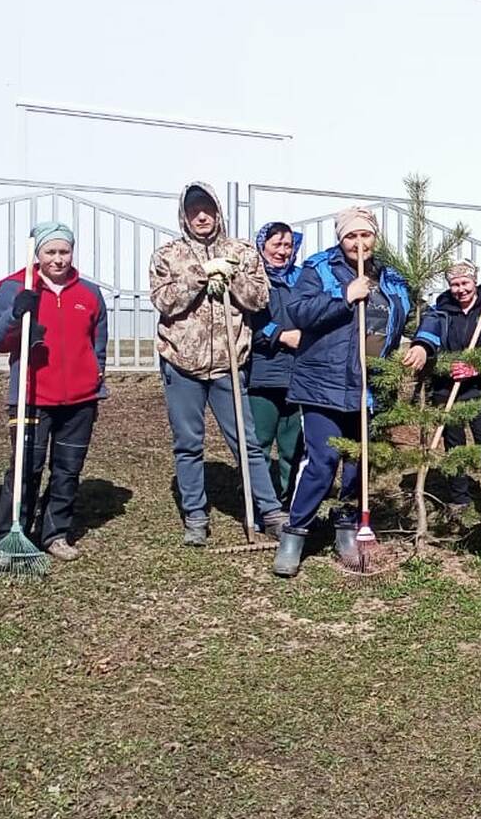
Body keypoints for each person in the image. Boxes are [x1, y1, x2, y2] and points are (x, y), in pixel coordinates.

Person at [275, 206, 412, 576]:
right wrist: (344, 295)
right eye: (351, 236)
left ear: (375, 237)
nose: (359, 243)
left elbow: (408, 315)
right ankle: (294, 533)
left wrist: (421, 345)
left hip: (368, 386)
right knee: (322, 462)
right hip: (323, 384)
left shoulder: (392, 278)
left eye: (365, 235)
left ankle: (346, 527)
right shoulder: (318, 269)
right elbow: (299, 313)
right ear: (340, 239)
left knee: (357, 466)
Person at [150, 182, 286, 547]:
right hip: (182, 363)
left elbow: (259, 299)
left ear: (218, 211)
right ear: (184, 215)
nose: (202, 215)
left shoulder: (240, 251)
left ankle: (269, 511)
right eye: (194, 209)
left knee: (247, 442)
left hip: (229, 363)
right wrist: (199, 276)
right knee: (188, 444)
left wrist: (232, 276)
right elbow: (164, 302)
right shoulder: (168, 255)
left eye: (207, 207)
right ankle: (195, 516)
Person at [0, 220, 108, 561]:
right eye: (50, 252)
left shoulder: (89, 293)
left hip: (80, 400)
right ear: (37, 255)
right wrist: (15, 314)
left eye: (64, 251)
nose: (58, 259)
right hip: (32, 396)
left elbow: (98, 342)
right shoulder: (16, 288)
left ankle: (54, 533)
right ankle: (10, 536)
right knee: (26, 468)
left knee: (68, 470)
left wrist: (96, 374)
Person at [406, 260, 481, 524]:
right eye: (455, 284)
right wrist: (421, 346)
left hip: (480, 391)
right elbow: (428, 334)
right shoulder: (442, 310)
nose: (460, 289)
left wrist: (477, 366)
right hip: (446, 389)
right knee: (453, 446)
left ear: (474, 282)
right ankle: (459, 498)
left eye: (465, 283)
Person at [248, 222, 305, 503]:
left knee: (293, 445)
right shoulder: (252, 281)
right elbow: (248, 323)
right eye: (276, 245)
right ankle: (260, 501)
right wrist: (280, 335)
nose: (282, 252)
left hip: (297, 377)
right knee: (259, 441)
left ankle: (288, 499)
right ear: (262, 246)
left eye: (288, 245)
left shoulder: (301, 279)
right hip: (264, 375)